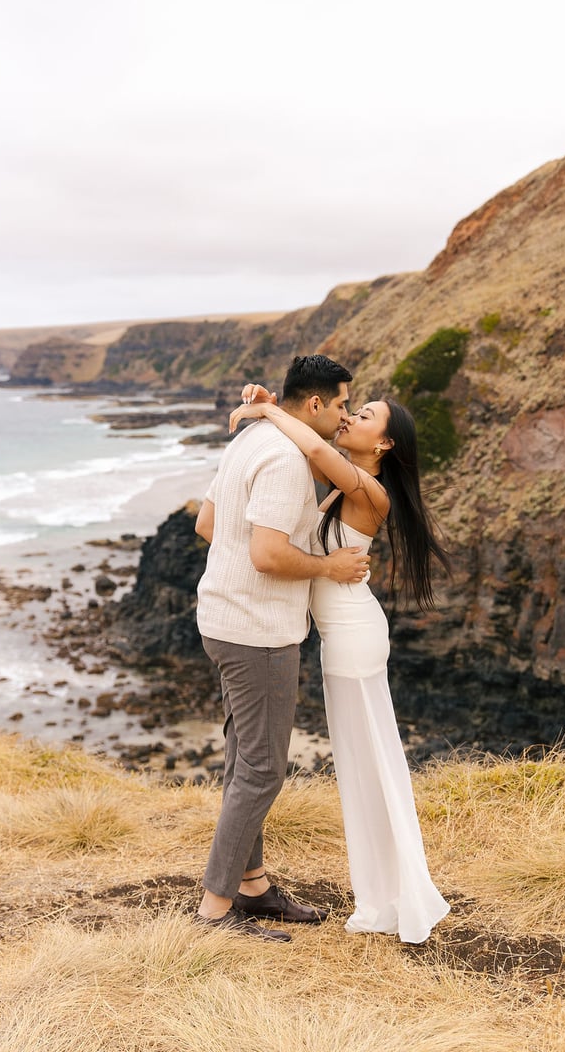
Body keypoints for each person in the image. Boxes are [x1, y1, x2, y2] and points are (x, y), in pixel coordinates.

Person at [230, 384, 451, 944]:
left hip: (353, 637)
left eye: (366, 415)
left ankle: (401, 895)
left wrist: (267, 410)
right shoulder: (339, 490)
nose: (350, 418)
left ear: (384, 445)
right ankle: (384, 893)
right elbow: (306, 462)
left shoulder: (370, 491)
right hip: (340, 638)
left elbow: (315, 448)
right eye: (351, 409)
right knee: (360, 767)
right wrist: (271, 403)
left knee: (371, 764)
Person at [194, 354, 371, 943]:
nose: (346, 415)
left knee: (245, 757)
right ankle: (216, 912)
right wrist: (328, 566)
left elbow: (208, 527)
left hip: (221, 618)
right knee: (264, 768)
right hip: (258, 634)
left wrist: (249, 552)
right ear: (315, 403)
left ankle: (252, 885)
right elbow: (268, 555)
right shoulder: (286, 460)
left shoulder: (249, 439)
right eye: (344, 404)